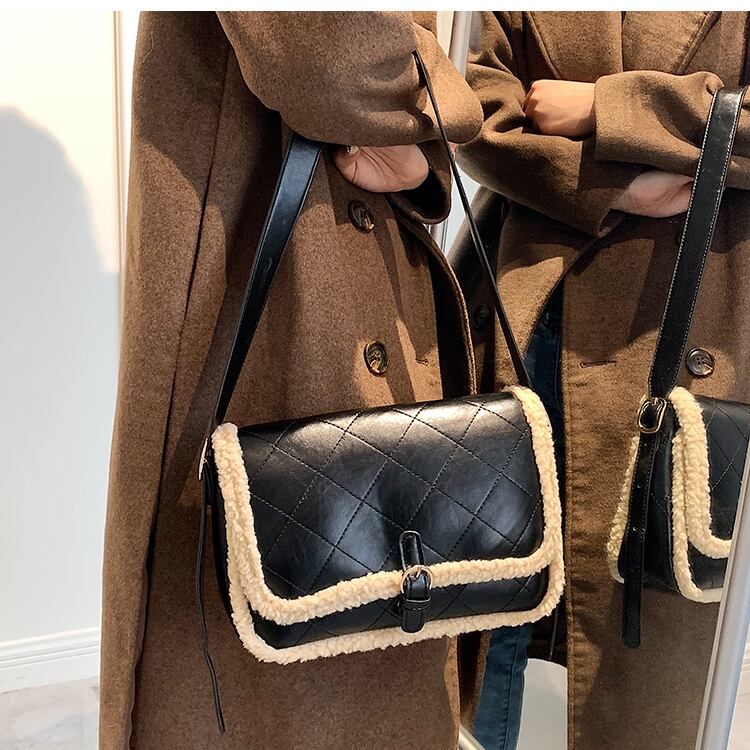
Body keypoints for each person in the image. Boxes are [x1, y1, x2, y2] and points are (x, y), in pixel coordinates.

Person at [102, 11, 488, 750]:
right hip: (255, 268)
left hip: (374, 262)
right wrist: (445, 105)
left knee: (381, 619)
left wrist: (420, 160)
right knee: (255, 651)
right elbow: (328, 55)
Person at [452, 10, 750, 750]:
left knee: (648, 627)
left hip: (688, 320)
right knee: (493, 601)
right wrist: (613, 189)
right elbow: (477, 110)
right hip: (527, 308)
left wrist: (608, 108)